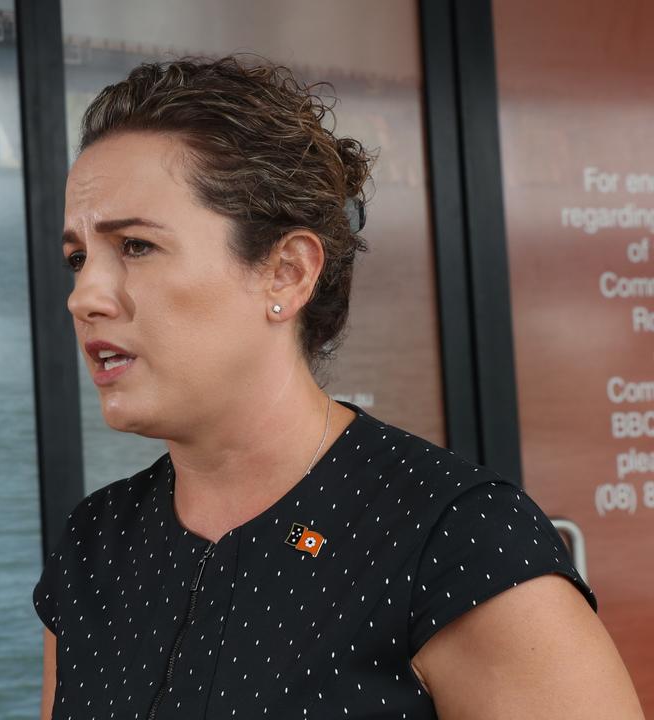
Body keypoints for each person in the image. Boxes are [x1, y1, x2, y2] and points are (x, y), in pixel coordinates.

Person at [37, 57, 643, 719]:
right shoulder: (97, 545)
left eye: (136, 247)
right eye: (78, 258)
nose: (84, 296)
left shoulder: (455, 538)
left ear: (287, 274)